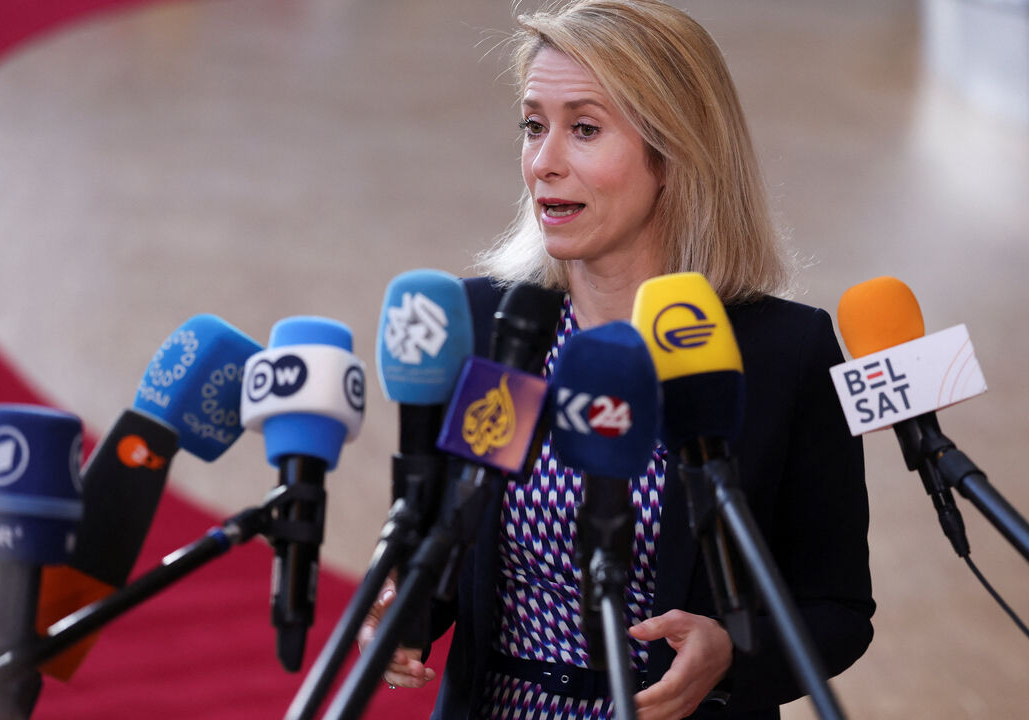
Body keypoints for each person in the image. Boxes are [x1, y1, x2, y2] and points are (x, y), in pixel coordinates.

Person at [359, 1, 874, 718]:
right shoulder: (492, 327)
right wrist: (405, 607)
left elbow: (836, 605)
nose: (544, 162)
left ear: (673, 151)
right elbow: (451, 547)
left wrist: (730, 655)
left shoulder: (782, 353)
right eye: (534, 125)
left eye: (585, 128)